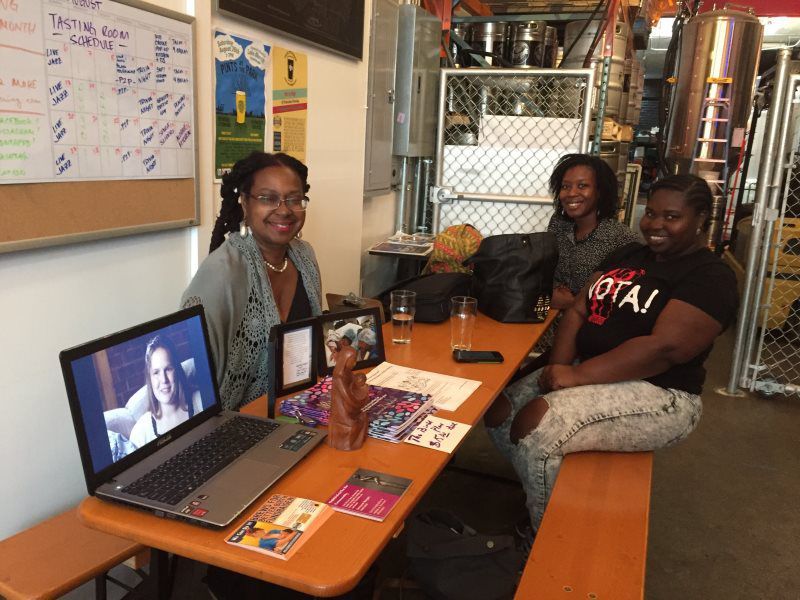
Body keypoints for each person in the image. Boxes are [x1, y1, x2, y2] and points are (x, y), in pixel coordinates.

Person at [485, 174, 738, 536]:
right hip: (588, 369)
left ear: (700, 220)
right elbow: (578, 309)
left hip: (660, 393)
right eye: (650, 213)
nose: (655, 225)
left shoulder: (710, 276)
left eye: (671, 217)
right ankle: (545, 492)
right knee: (500, 412)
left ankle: (551, 541)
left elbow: (663, 349)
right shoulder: (631, 254)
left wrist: (575, 376)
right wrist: (558, 365)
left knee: (538, 425)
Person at [181, 152, 322, 411]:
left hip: (298, 409)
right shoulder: (221, 273)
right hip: (236, 426)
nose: (284, 210)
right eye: (268, 198)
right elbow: (195, 375)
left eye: (294, 199)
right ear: (245, 203)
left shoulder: (305, 256)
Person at [547, 153, 640, 310]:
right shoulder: (558, 225)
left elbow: (621, 300)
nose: (571, 193)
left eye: (582, 186)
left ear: (600, 191)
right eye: (565, 186)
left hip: (589, 327)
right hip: (547, 322)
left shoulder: (622, 239)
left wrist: (571, 303)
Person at [129, 335, 198, 448]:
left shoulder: (200, 401)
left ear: (177, 371)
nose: (164, 380)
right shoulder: (140, 433)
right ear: (149, 378)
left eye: (168, 369)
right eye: (156, 372)